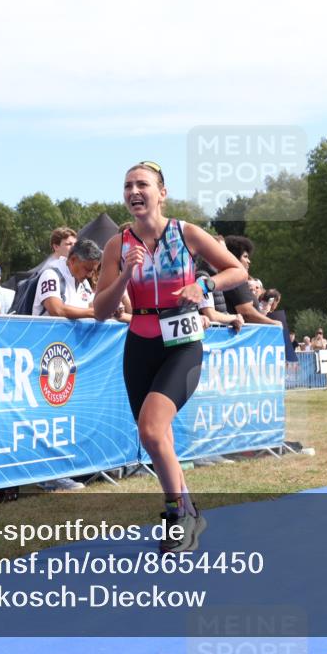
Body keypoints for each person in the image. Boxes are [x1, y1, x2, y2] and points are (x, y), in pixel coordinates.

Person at [92, 161, 246, 553]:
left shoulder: (187, 233)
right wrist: (125, 276)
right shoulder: (118, 244)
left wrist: (204, 283)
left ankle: (177, 514)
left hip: (182, 345)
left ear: (162, 192)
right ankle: (191, 510)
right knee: (158, 437)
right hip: (140, 343)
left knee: (150, 429)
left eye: (142, 184)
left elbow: (236, 271)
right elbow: (100, 309)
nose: (133, 192)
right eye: (127, 186)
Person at [34, 238, 100, 319]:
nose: (90, 275)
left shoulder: (84, 282)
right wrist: (95, 312)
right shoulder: (51, 275)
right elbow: (57, 310)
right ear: (72, 260)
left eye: (93, 271)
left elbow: (92, 306)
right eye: (87, 269)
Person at [221, 235, 280, 326]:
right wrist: (272, 323)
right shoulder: (235, 278)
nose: (249, 261)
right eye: (245, 256)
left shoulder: (227, 276)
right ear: (235, 258)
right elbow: (246, 313)